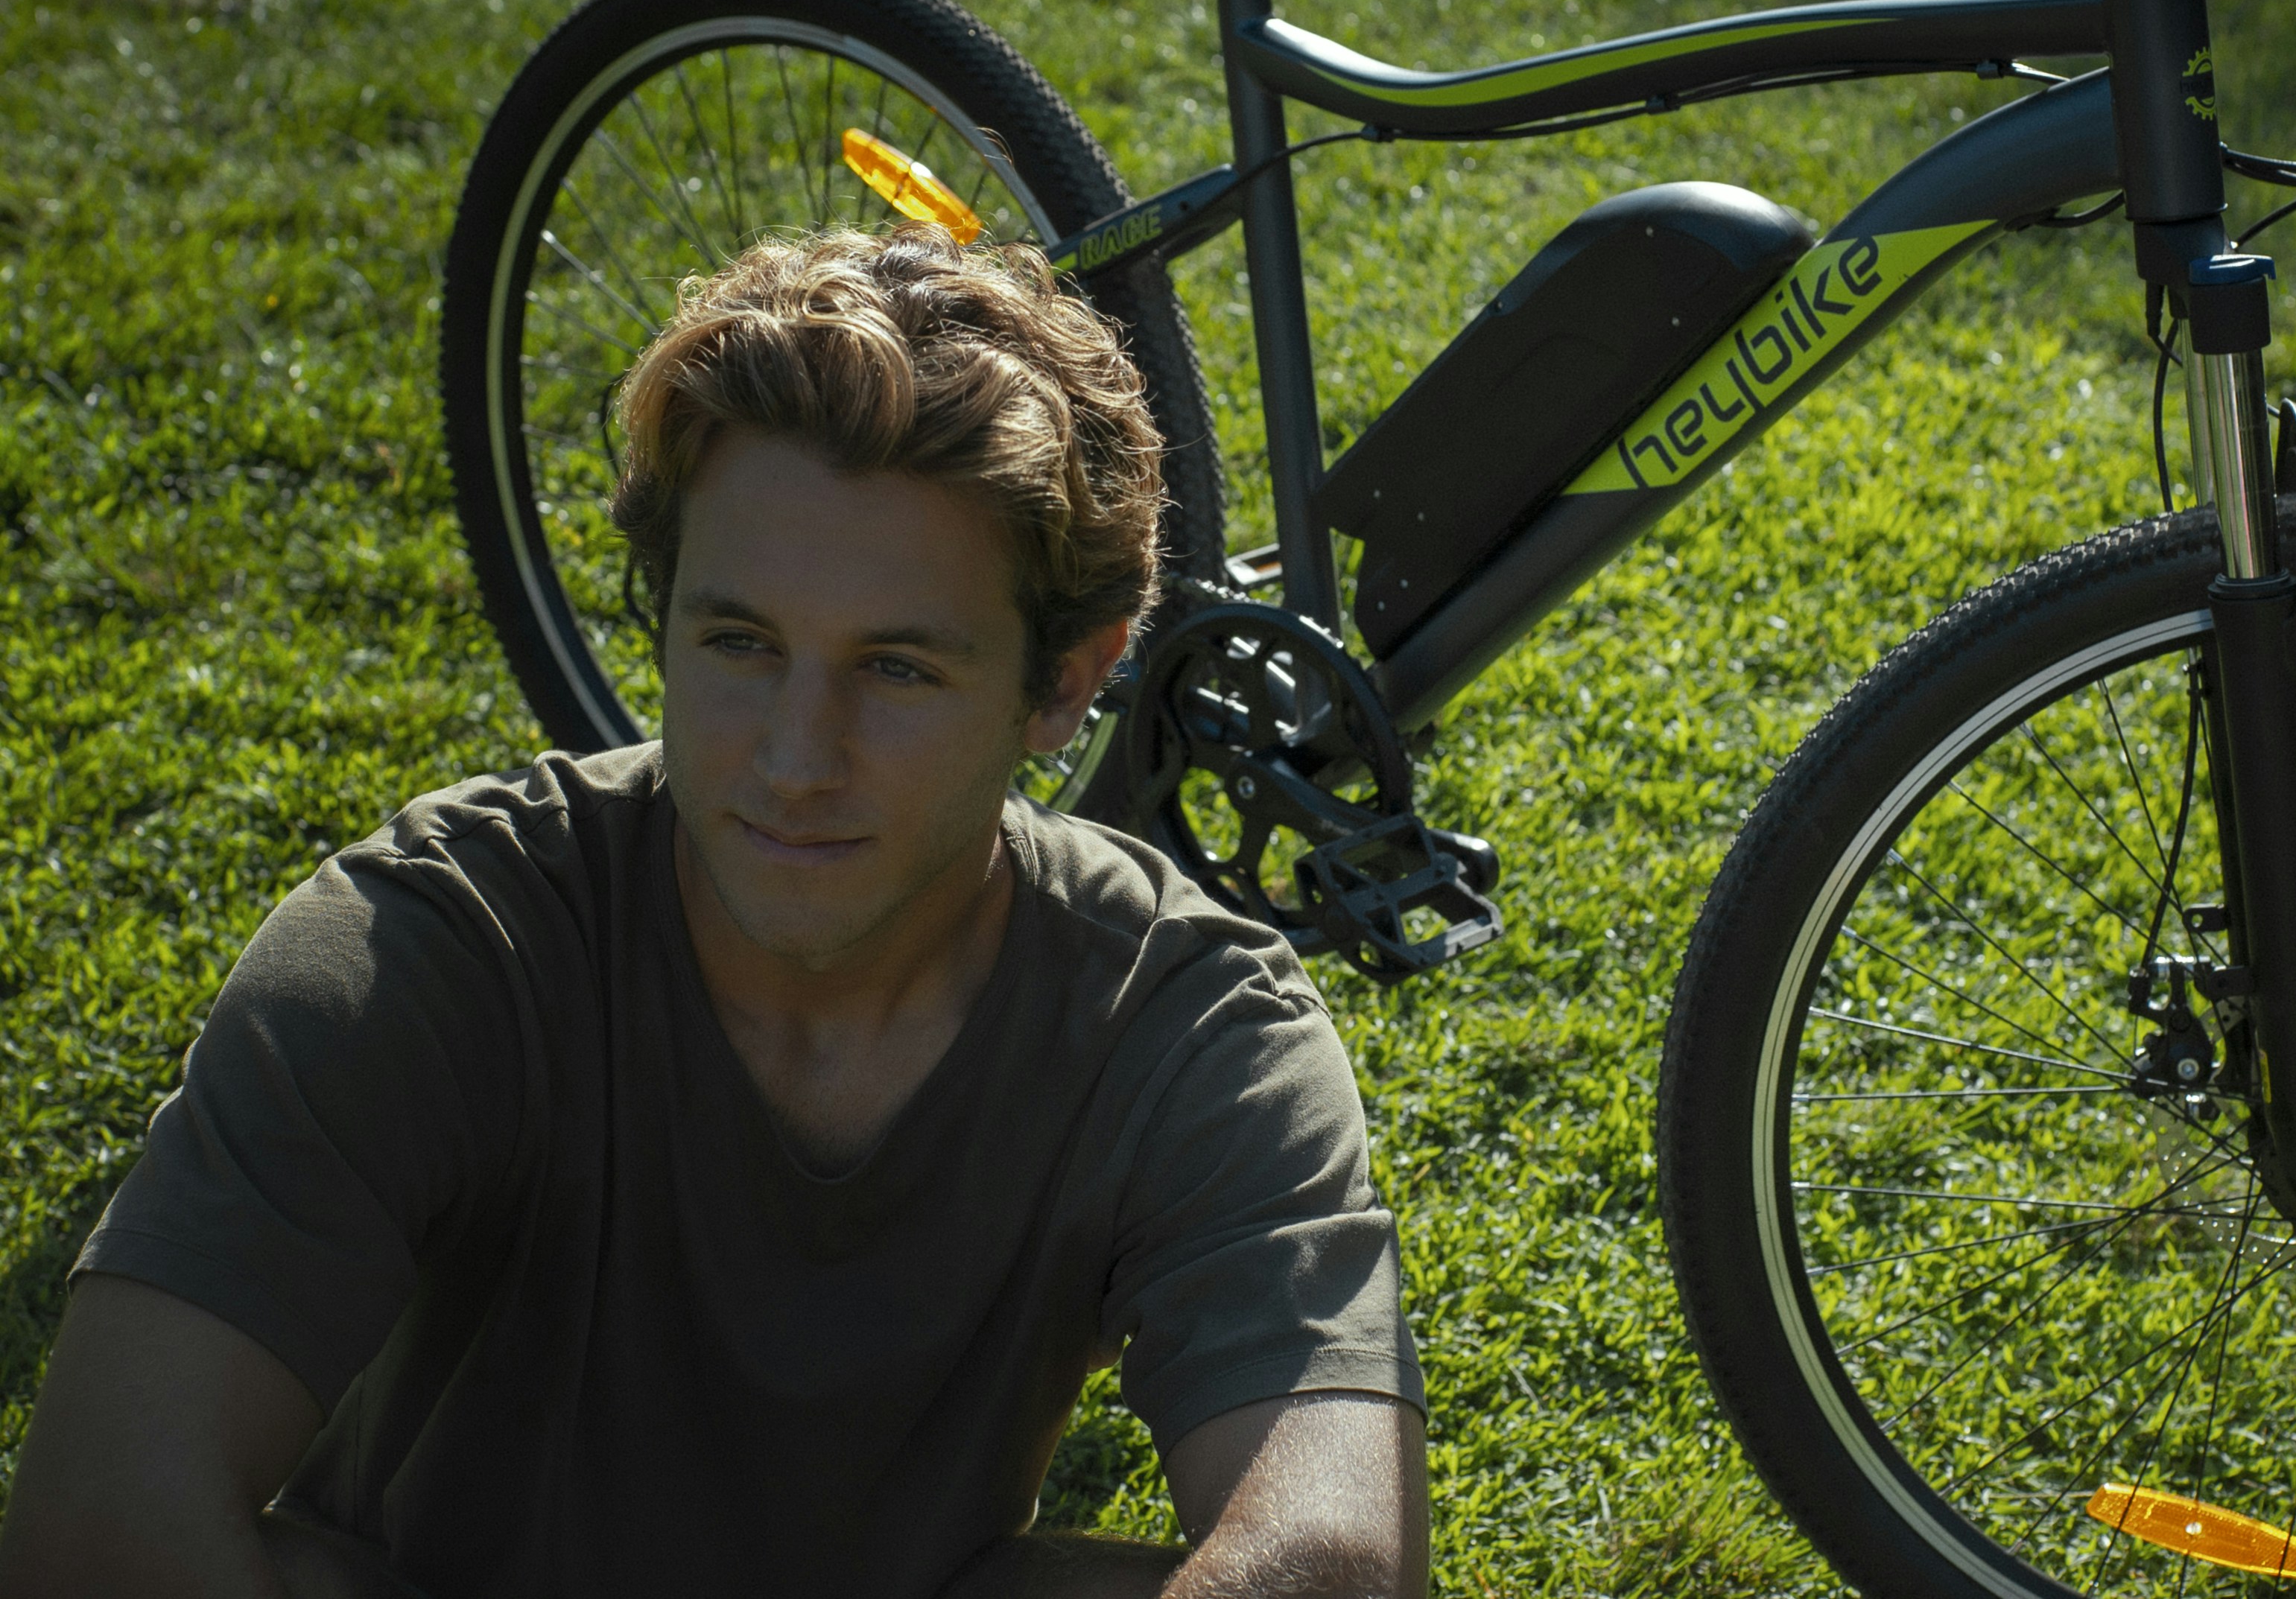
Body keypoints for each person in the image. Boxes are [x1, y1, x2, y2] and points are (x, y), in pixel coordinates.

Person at [0, 228, 1428, 1598]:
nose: (796, 760)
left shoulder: (1182, 1025)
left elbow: (1335, 1563)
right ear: (666, 614)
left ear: (1063, 685)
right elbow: (100, 1520)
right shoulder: (439, 941)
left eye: (898, 670)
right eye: (740, 644)